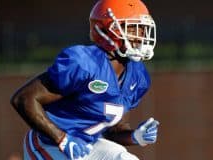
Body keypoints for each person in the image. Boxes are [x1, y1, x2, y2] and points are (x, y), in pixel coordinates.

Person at [10, 0, 159, 159]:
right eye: (132, 28)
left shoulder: (138, 76)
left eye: (143, 29)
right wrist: (62, 138)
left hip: (88, 144)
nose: (141, 35)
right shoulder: (84, 63)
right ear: (107, 30)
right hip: (48, 143)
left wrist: (135, 136)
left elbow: (110, 128)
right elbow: (24, 99)